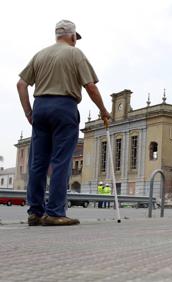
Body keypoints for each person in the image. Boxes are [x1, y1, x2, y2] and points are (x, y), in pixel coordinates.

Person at [17, 20, 111, 226]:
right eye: (75, 38)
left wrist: (28, 112)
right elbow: (90, 87)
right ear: (71, 36)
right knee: (61, 161)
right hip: (64, 107)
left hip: (40, 107)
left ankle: (35, 212)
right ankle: (55, 212)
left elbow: (21, 84)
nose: (75, 41)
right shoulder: (75, 54)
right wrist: (103, 110)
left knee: (38, 163)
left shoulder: (40, 55)